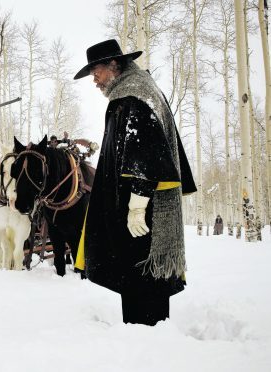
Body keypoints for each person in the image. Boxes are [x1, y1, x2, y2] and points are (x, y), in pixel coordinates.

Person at [73, 39, 196, 326]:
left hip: (140, 211)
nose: (95, 80)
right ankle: (148, 332)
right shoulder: (140, 90)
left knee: (140, 276)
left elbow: (145, 151)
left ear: (114, 65)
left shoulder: (132, 97)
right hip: (142, 206)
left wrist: (138, 204)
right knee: (143, 278)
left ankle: (146, 337)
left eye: (96, 72)